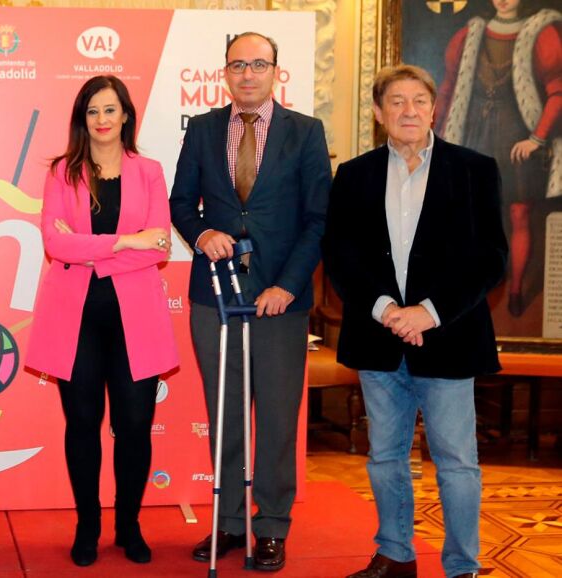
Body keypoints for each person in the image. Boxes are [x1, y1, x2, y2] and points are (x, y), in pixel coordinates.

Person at [324, 64, 507, 578]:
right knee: (385, 457)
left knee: (456, 463)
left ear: (434, 109)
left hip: (450, 338)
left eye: (419, 101)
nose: (409, 110)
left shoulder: (474, 169)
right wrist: (385, 309)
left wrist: (428, 312)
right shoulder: (354, 175)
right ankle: (395, 556)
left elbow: (491, 257)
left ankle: (462, 567)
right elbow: (340, 254)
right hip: (378, 338)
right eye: (397, 101)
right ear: (379, 112)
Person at [170, 31, 331, 571]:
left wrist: (287, 285)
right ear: (225, 73)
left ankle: (272, 526)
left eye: (258, 64)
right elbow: (180, 203)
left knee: (279, 418)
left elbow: (318, 219)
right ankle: (231, 523)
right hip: (215, 296)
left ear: (275, 71)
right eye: (238, 65)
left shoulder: (305, 132)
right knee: (226, 415)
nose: (247, 74)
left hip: (280, 299)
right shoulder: (203, 129)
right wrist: (201, 234)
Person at [26, 75, 178, 567]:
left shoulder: (149, 171)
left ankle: (129, 525)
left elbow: (159, 246)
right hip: (76, 320)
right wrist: (125, 240)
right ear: (82, 119)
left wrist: (91, 249)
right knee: (83, 424)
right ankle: (87, 526)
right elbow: (56, 245)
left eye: (110, 109)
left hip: (137, 319)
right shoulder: (61, 172)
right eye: (92, 111)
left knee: (134, 425)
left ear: (126, 115)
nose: (102, 119)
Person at [436, 0, 560, 318]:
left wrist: (536, 138)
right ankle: (472, 291)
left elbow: (558, 92)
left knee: (519, 214)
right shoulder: (469, 35)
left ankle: (515, 290)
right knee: (470, 215)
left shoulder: (541, 32)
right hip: (475, 135)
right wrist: (436, 138)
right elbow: (447, 90)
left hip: (518, 138)